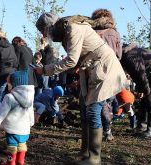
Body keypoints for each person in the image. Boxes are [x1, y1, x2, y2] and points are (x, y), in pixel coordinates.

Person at [34, 13, 127, 164]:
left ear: (49, 27)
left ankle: (94, 157)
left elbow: (71, 60)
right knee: (85, 109)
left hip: (103, 69)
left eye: (43, 31)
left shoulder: (73, 28)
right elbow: (77, 58)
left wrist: (45, 70)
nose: (43, 35)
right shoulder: (67, 30)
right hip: (92, 70)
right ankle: (85, 153)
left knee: (92, 111)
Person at [91, 8, 123, 141]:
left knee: (96, 103)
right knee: (108, 102)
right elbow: (119, 55)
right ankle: (108, 131)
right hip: (113, 71)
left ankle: (96, 132)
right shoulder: (115, 33)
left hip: (95, 71)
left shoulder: (92, 32)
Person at [0, 70, 34, 165]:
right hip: (25, 129)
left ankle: (11, 162)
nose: (7, 85)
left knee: (12, 146)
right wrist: (31, 123)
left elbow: (1, 112)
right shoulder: (30, 97)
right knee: (22, 144)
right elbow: (31, 112)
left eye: (8, 83)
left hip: (13, 129)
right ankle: (20, 161)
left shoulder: (9, 97)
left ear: (15, 85)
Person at [121, 43, 151, 138]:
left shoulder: (130, 56)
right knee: (145, 101)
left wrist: (145, 90)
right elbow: (138, 75)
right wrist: (142, 90)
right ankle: (141, 127)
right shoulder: (129, 54)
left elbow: (141, 75)